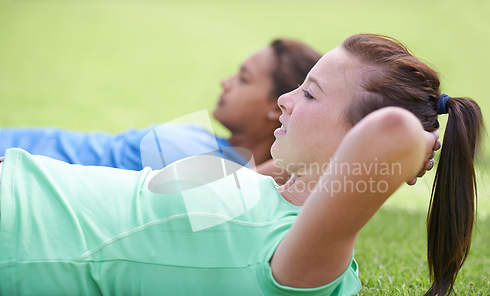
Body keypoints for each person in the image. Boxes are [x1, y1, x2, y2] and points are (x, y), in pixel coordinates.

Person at [0, 34, 482, 296]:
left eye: (310, 95)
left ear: (359, 141)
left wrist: (416, 145)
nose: (286, 101)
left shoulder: (298, 261)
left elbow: (391, 133)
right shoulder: (265, 194)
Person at [0, 39, 321, 172]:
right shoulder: (222, 154)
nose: (225, 82)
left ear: (277, 106)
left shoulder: (229, 174)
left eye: (244, 78)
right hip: (21, 146)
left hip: (19, 165)